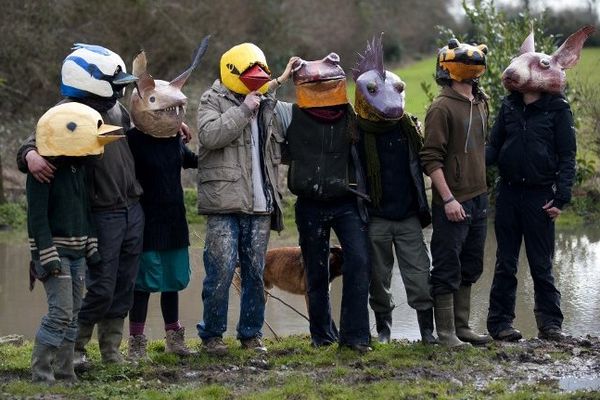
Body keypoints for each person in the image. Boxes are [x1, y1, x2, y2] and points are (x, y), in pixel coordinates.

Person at [17, 43, 146, 364]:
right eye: (114, 84)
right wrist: (29, 155)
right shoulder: (67, 112)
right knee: (101, 286)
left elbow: (135, 133)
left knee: (124, 284)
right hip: (101, 213)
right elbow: (34, 141)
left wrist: (170, 130)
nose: (118, 91)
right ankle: (74, 349)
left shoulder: (117, 109)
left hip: (132, 207)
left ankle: (111, 350)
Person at [486, 26, 594, 342]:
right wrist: (466, 162)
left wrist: (561, 198)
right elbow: (493, 147)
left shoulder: (558, 109)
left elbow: (567, 155)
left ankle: (550, 325)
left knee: (541, 265)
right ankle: (500, 324)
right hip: (508, 194)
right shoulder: (508, 106)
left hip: (540, 197)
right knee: (505, 263)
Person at [196, 43, 296, 355]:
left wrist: (282, 78)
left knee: (255, 273)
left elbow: (270, 90)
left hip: (260, 204)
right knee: (221, 272)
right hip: (224, 203)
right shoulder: (210, 99)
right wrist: (244, 110)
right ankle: (212, 337)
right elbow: (210, 135)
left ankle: (251, 336)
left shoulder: (265, 99)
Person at [280, 53, 372, 353]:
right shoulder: (289, 114)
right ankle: (321, 336)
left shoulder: (351, 116)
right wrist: (281, 78)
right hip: (309, 202)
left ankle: (355, 337)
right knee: (315, 270)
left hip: (347, 200)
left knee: (358, 261)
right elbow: (261, 102)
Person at [125, 38, 209, 360]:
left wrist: (218, 154)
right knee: (143, 284)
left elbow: (190, 160)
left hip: (174, 220)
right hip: (145, 221)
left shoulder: (174, 139)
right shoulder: (132, 141)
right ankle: (136, 343)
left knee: (172, 282)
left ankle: (174, 338)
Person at [27, 102, 122, 382]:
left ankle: (65, 372)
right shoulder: (43, 172)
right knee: (59, 312)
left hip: (78, 251)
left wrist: (91, 246)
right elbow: (37, 220)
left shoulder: (81, 168)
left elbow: (85, 211)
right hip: (54, 252)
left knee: (74, 313)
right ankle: (41, 373)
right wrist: (46, 256)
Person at [353, 35, 435, 344]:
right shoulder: (355, 132)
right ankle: (384, 330)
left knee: (419, 275)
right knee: (379, 278)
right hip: (375, 217)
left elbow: (428, 159)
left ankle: (427, 331)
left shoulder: (409, 128)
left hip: (408, 216)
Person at [420, 38, 492, 347]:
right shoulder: (441, 107)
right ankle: (446, 333)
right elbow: (430, 158)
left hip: (479, 196)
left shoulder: (480, 101)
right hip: (453, 201)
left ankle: (462, 327)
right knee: (447, 265)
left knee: (472, 264)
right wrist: (448, 198)